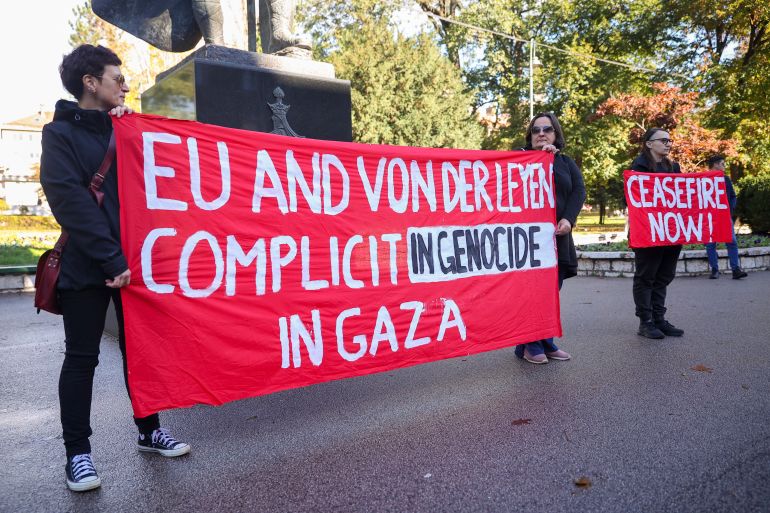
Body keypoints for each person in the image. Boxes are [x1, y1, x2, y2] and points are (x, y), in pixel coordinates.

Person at [40, 44, 190, 493]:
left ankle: (149, 432)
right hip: (90, 266)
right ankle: (78, 455)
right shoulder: (57, 134)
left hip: (136, 266)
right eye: (115, 77)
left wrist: (133, 133)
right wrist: (112, 259)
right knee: (82, 358)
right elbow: (71, 203)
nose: (124, 85)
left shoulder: (124, 130)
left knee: (141, 354)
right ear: (90, 82)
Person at [514, 112, 586, 364]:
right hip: (526, 241)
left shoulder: (564, 162)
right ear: (530, 135)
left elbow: (578, 190)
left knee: (551, 291)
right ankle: (529, 344)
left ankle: (545, 341)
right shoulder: (517, 159)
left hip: (557, 238)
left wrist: (568, 218)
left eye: (547, 129)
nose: (541, 133)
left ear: (556, 134)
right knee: (530, 292)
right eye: (536, 130)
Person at [629, 128, 685, 339]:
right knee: (646, 276)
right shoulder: (639, 167)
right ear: (649, 144)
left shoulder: (674, 167)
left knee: (664, 276)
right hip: (648, 232)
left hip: (671, 232)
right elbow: (633, 199)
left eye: (670, 140)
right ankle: (646, 321)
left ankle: (659, 319)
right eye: (663, 140)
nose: (668, 143)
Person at [704, 155, 747, 280]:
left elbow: (733, 196)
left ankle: (735, 270)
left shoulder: (726, 179)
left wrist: (729, 210)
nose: (724, 166)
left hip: (724, 216)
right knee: (711, 243)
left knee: (731, 241)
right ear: (715, 165)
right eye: (722, 163)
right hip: (709, 217)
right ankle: (715, 270)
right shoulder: (703, 179)